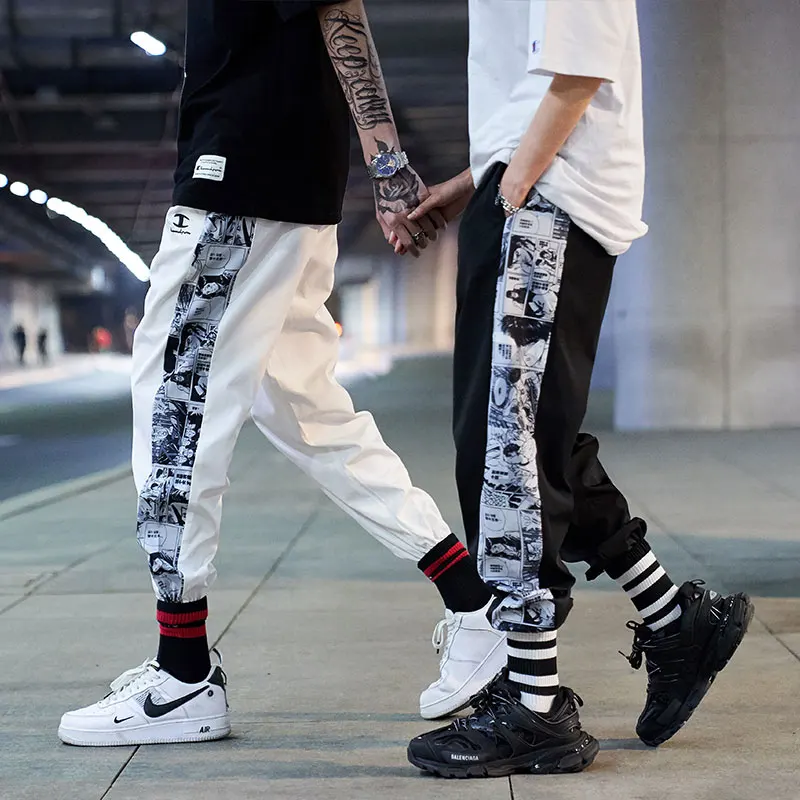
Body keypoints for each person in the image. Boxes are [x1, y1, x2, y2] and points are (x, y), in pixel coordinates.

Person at [57, 0, 501, 748]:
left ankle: (183, 674)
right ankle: (472, 602)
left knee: (174, 413)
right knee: (310, 414)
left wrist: (389, 167)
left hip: (241, 180)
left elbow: (339, 7)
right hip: (279, 184)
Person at [400, 0, 754, 778]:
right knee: (535, 437)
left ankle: (535, 708)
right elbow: (542, 82)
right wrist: (480, 180)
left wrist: (512, 190)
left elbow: (580, 70)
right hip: (536, 187)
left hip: (547, 200)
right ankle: (673, 619)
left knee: (506, 451)